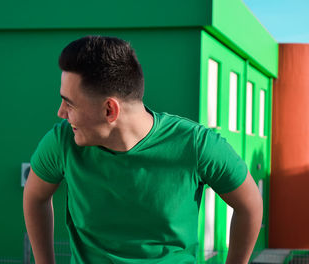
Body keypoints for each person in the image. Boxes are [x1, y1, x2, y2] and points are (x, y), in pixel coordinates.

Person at [23, 35, 263, 264]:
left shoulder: (196, 145)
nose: (61, 113)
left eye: (70, 103)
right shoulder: (62, 141)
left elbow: (250, 204)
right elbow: (35, 197)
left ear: (109, 110)